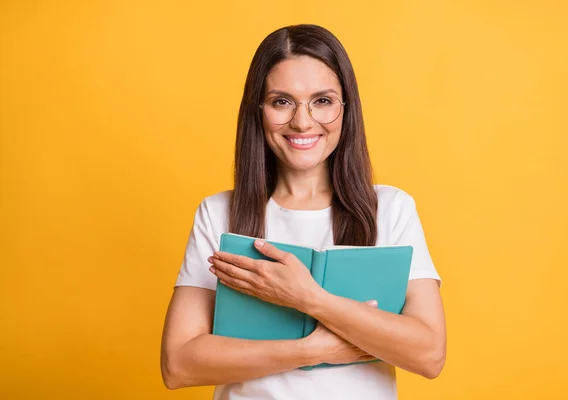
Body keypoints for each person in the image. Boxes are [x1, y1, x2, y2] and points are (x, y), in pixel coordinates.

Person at [160, 24, 446, 400]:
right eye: (282, 101)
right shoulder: (219, 213)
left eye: (322, 101)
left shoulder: (390, 209)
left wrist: (307, 298)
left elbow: (429, 354)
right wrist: (314, 350)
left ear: (346, 108)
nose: (303, 121)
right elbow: (178, 364)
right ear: (258, 110)